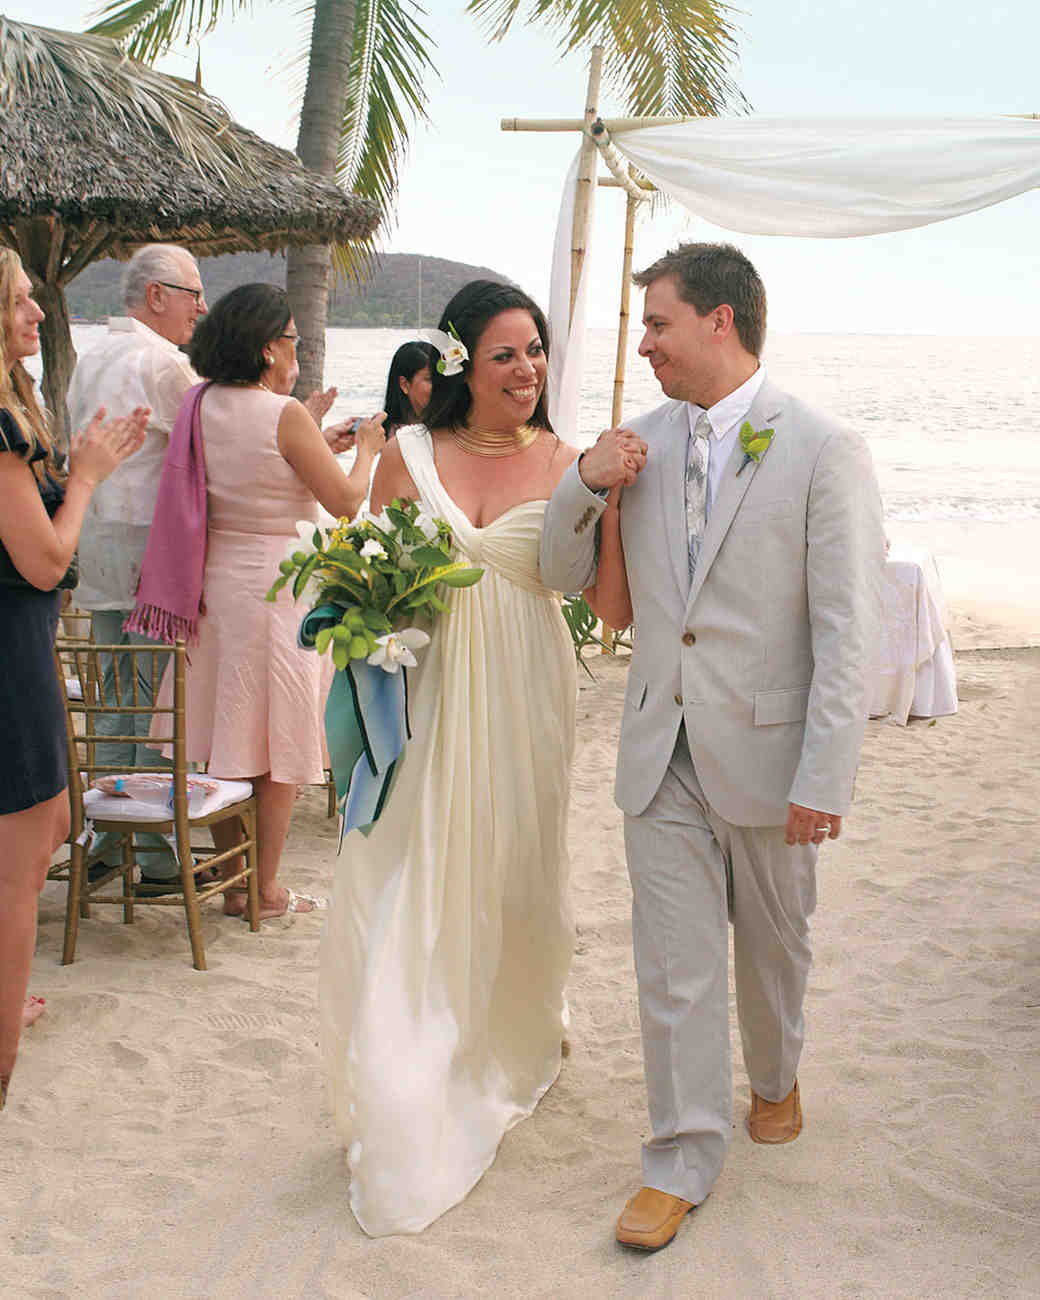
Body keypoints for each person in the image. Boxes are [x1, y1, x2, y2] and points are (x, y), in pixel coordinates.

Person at [540, 242, 886, 1252]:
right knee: (673, 965)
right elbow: (566, 574)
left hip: (774, 759)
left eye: (655, 323)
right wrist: (581, 480)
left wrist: (825, 773)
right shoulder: (632, 442)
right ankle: (680, 1158)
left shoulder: (823, 447)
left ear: (718, 321)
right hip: (660, 750)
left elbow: (845, 628)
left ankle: (773, 1075)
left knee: (773, 954)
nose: (641, 343)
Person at [320, 280, 602, 1236]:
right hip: (429, 699)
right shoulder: (406, 455)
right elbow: (366, 569)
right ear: (458, 367)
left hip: (529, 691)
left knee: (518, 865)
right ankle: (415, 1064)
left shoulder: (571, 463)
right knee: (418, 867)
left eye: (536, 352)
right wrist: (374, 623)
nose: (527, 372)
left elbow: (606, 599)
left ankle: (513, 1031)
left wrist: (604, 490)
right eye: (505, 357)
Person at [137, 283, 385, 920]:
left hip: (215, 585)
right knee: (277, 746)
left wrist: (313, 433)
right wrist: (370, 452)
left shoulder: (202, 402)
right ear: (271, 348)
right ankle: (266, 888)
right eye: (293, 340)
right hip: (279, 590)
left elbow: (254, 469)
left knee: (223, 736)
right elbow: (347, 502)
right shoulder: (282, 414)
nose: (297, 350)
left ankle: (228, 873)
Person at [0, 248, 147, 1110]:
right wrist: (87, 477)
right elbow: (49, 553)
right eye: (20, 299)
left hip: (25, 638)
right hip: (11, 646)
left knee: (51, 819)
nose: (37, 312)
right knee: (21, 867)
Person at [67, 243, 207, 887]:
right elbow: (213, 442)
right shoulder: (163, 362)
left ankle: (106, 839)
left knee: (113, 708)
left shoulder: (88, 357)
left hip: (95, 554)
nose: (200, 309)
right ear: (157, 296)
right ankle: (150, 855)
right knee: (151, 711)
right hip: (149, 563)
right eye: (192, 294)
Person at [381, 339, 436, 437]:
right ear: (404, 384)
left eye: (442, 378)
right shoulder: (391, 437)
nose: (440, 385)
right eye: (430, 379)